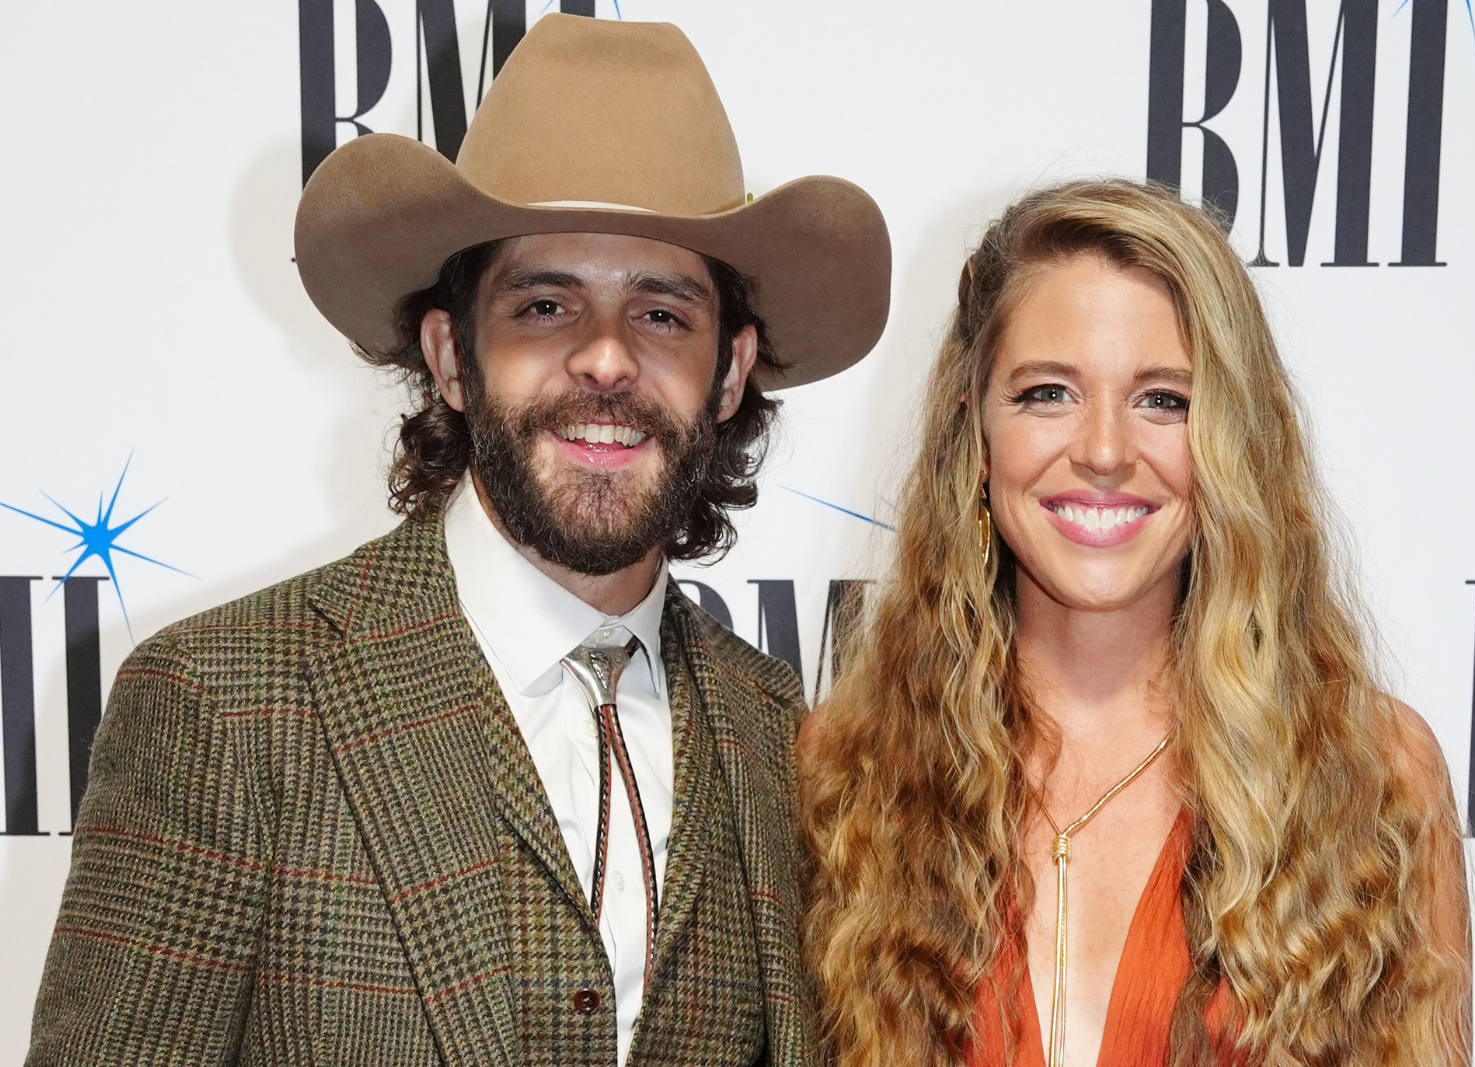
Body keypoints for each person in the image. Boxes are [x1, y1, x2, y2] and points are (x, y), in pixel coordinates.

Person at [28, 15, 889, 1067]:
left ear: (729, 372)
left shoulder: (780, 731)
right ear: (449, 356)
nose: (606, 359)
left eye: (662, 314)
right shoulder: (221, 705)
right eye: (545, 305)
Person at [800, 180, 1469, 1067]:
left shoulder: (1376, 776)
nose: (1105, 451)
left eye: (1164, 400)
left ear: (1231, 437)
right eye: (1048, 393)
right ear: (976, 431)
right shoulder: (846, 774)